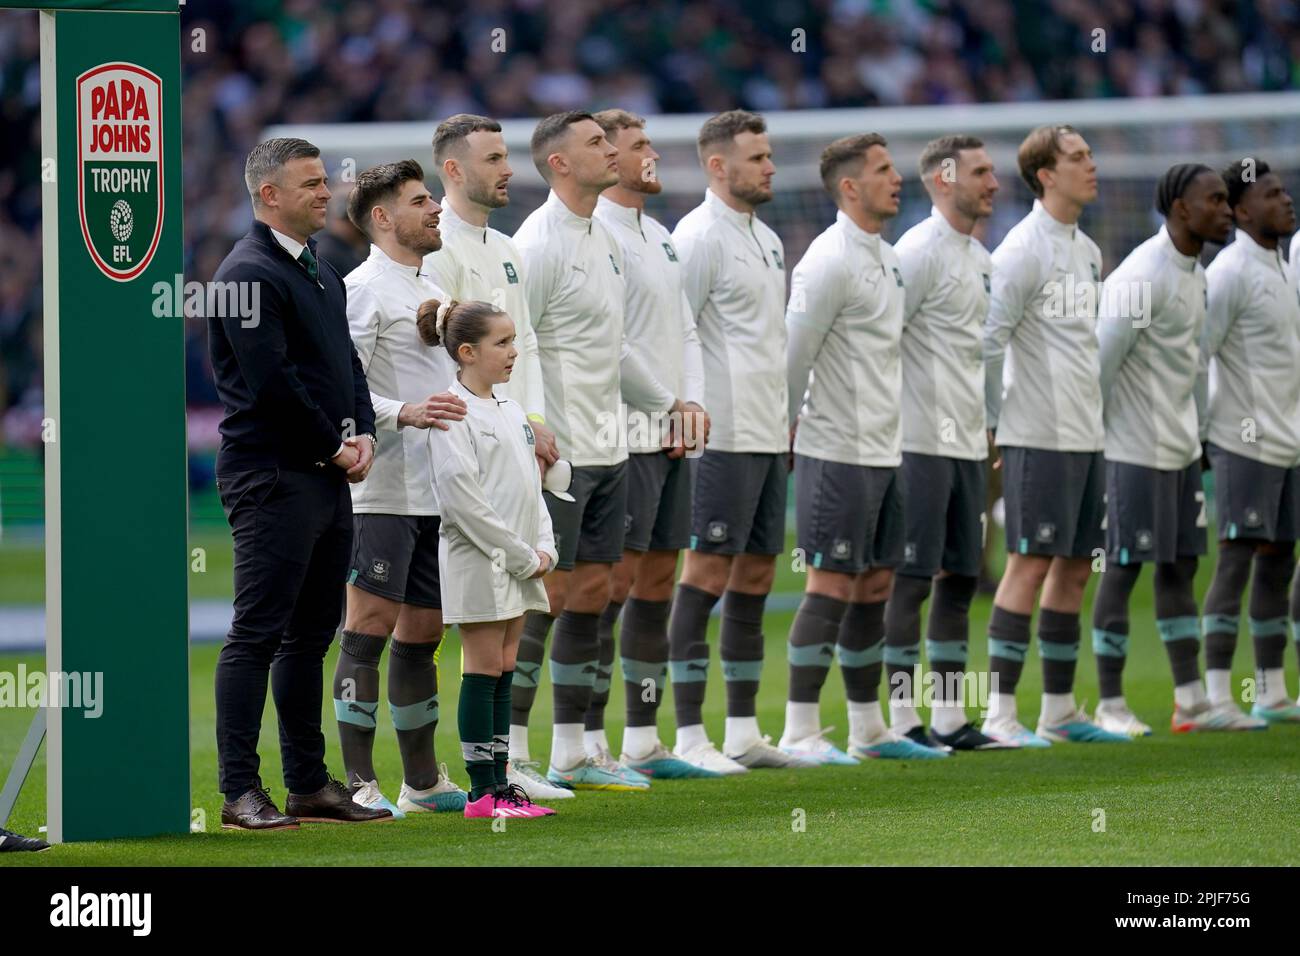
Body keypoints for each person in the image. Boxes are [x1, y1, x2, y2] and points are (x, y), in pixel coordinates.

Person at [210, 137, 391, 829]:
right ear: (269, 195)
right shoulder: (248, 273)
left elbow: (345, 361)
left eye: (325, 180)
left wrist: (364, 428)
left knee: (308, 636)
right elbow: (272, 384)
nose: (327, 192)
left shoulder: (320, 270)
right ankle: (238, 791)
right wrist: (335, 445)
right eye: (312, 183)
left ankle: (308, 785)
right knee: (257, 632)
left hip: (322, 475)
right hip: (272, 476)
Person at [513, 111, 684, 791]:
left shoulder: (605, 238)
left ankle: (572, 751)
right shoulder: (538, 244)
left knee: (595, 593)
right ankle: (512, 756)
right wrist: (531, 427)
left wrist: (669, 404)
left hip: (611, 446)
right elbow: (518, 344)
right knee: (544, 599)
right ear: (559, 163)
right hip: (560, 453)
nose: (610, 150)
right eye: (594, 143)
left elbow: (613, 348)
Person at [779, 134, 942, 763]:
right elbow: (796, 359)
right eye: (882, 171)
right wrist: (788, 430)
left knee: (876, 586)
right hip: (835, 449)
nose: (897, 179)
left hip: (886, 448)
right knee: (830, 585)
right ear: (850, 187)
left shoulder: (890, 259)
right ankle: (800, 729)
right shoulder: (826, 260)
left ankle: (869, 728)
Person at [423, 114, 569, 801]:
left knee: (507, 657)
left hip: (515, 481)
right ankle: (476, 782)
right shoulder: (436, 248)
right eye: (494, 157)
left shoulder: (510, 248)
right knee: (470, 657)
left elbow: (528, 344)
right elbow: (461, 494)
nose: (509, 167)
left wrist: (534, 419)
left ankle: (506, 772)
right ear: (453, 169)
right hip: (475, 530)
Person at [1090, 164, 1256, 734]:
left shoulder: (1197, 274)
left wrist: (1202, 433)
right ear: (1182, 209)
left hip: (1182, 449)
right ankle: (1109, 704)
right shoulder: (1141, 275)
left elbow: (1195, 364)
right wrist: (1099, 444)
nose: (1227, 209)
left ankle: (1191, 701)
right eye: (1215, 200)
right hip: (1134, 451)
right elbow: (1101, 366)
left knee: (1181, 566)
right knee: (1124, 565)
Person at [669, 110, 811, 769]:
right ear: (718, 166)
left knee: (755, 576)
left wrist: (786, 415)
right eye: (757, 157)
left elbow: (771, 340)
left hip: (764, 430)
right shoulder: (697, 237)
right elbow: (677, 333)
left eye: (769, 154)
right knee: (705, 573)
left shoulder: (770, 240)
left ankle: (743, 733)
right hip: (717, 435)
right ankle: (689, 734)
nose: (770, 166)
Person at [981, 125, 1129, 747]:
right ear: (1046, 175)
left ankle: (1061, 712)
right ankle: (999, 714)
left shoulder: (1088, 251)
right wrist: (995, 422)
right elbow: (989, 342)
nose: (1090, 166)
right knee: (1028, 565)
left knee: (1073, 569)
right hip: (1036, 435)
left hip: (1085, 435)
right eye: (1077, 158)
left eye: (1090, 155)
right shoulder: (1019, 249)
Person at [332, 160, 471, 819]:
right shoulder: (362, 290)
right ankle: (357, 779)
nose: (435, 209)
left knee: (425, 630)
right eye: (420, 202)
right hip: (381, 488)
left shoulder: (435, 284)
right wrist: (401, 413)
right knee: (368, 627)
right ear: (383, 217)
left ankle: (422, 780)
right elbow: (344, 384)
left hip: (436, 488)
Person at [590, 108, 716, 778]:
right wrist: (667, 407)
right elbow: (610, 345)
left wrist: (689, 404)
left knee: (657, 583)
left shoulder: (662, 237)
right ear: (606, 157)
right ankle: (585, 741)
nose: (651, 156)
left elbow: (685, 332)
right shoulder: (596, 236)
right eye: (638, 146)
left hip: (671, 431)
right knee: (607, 586)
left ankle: (643, 737)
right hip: (625, 434)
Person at [887, 135, 1010, 751]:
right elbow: (885, 343)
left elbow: (982, 358)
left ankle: (949, 717)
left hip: (966, 442)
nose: (993, 182)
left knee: (961, 578)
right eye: (981, 172)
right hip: (918, 440)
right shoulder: (916, 252)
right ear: (943, 178)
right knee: (911, 579)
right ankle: (902, 719)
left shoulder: (980, 259)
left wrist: (990, 421)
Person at [420, 297, 559, 819]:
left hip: (521, 558)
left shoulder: (512, 408)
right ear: (466, 351)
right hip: (480, 561)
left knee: (505, 666)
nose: (513, 352)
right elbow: (463, 501)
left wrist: (544, 544)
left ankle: (502, 786)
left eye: (513, 340)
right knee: (481, 668)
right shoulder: (451, 412)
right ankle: (484, 793)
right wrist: (522, 554)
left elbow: (531, 485)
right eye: (501, 343)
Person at [1200, 159, 1300, 725]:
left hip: (1288, 442)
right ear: (1240, 211)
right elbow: (1201, 353)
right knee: (1235, 562)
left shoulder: (1282, 266)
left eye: (1285, 192)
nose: (1285, 201)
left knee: (1279, 562)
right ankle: (1215, 695)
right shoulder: (1231, 272)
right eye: (1271, 194)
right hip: (1244, 441)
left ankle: (1270, 690)